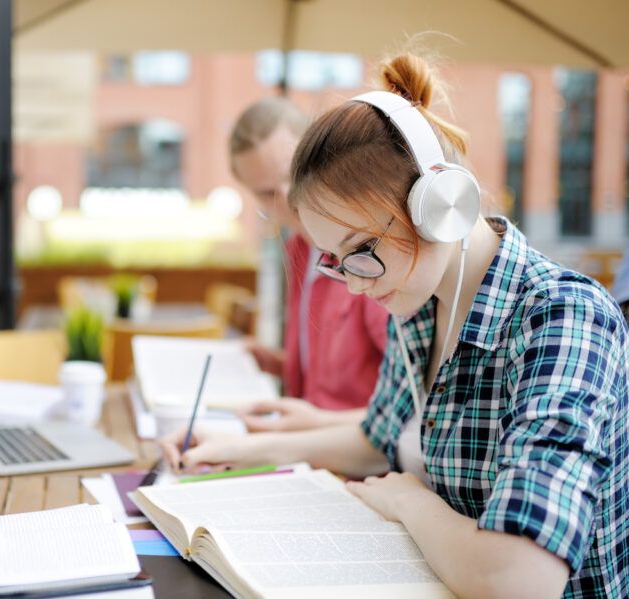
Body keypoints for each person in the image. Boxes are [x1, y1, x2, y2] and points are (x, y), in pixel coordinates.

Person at [162, 53, 628, 597]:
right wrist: (235, 448)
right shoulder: (420, 297)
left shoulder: (564, 317)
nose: (356, 284)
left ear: (440, 204)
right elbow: (376, 438)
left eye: (361, 249)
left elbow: (519, 579)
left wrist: (407, 499)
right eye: (338, 261)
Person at [228, 98, 388, 431]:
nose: (288, 197)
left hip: (365, 465)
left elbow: (419, 407)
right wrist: (281, 364)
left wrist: (315, 422)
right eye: (267, 191)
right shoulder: (297, 250)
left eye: (294, 174)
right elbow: (331, 380)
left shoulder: (371, 255)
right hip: (310, 455)